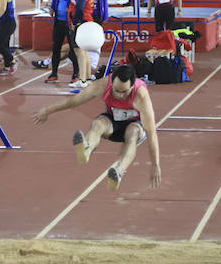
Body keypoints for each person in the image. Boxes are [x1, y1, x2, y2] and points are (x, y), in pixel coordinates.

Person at [33, 63, 161, 192]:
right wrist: (48, 110)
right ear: (111, 83)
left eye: (124, 92)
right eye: (116, 90)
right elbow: (73, 101)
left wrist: (155, 165)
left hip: (135, 124)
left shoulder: (141, 96)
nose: (120, 95)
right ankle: (86, 149)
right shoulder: (102, 85)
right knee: (98, 124)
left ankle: (118, 171)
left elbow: (151, 133)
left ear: (132, 86)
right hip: (112, 122)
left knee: (132, 133)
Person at [43, 0, 80, 82]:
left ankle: (75, 75)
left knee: (74, 50)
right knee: (56, 49)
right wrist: (51, 8)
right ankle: (54, 74)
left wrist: (71, 12)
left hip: (70, 24)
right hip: (58, 22)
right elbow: (54, 1)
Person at [69, 0, 96, 86]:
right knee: (84, 51)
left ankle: (82, 80)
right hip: (87, 21)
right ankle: (88, 78)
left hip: (82, 23)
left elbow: (79, 7)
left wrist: (75, 22)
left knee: (79, 51)